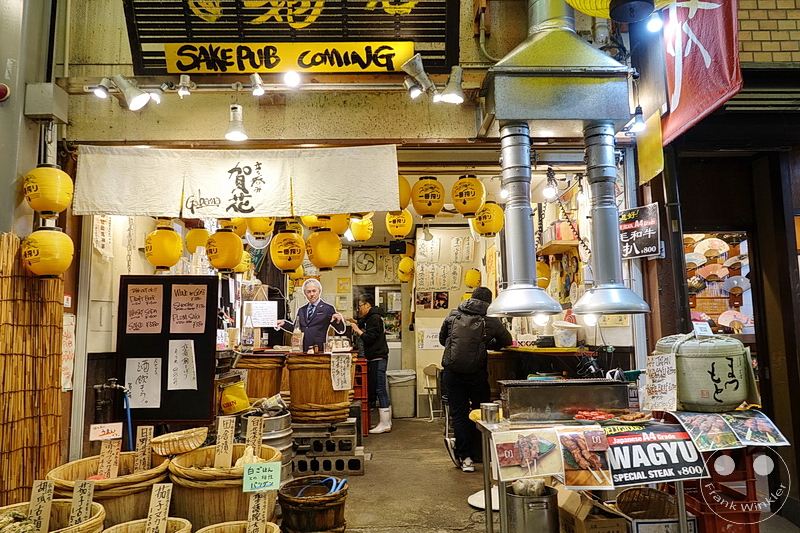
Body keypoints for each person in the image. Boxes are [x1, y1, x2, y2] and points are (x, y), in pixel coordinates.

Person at [439, 286, 512, 472]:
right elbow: (507, 340)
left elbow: (442, 340)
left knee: (459, 415)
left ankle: (466, 458)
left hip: (452, 372)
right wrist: (486, 343)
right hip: (476, 373)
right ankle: (482, 454)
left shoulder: (454, 314)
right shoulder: (491, 319)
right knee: (481, 412)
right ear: (489, 302)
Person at [347, 294, 392, 434]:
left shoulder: (375, 318)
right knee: (378, 389)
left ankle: (385, 424)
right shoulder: (371, 317)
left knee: (380, 389)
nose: (359, 308)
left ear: (368, 305)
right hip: (375, 357)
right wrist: (353, 321)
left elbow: (370, 337)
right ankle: (386, 422)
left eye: (360, 305)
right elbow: (364, 324)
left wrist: (357, 330)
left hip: (378, 357)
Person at [277, 278, 345, 352]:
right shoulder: (301, 310)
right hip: (302, 349)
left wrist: (339, 320)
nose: (312, 294)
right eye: (308, 292)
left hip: (318, 349)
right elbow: (296, 329)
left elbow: (340, 330)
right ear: (305, 293)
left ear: (319, 291)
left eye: (314, 291)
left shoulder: (327, 308)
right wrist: (284, 324)